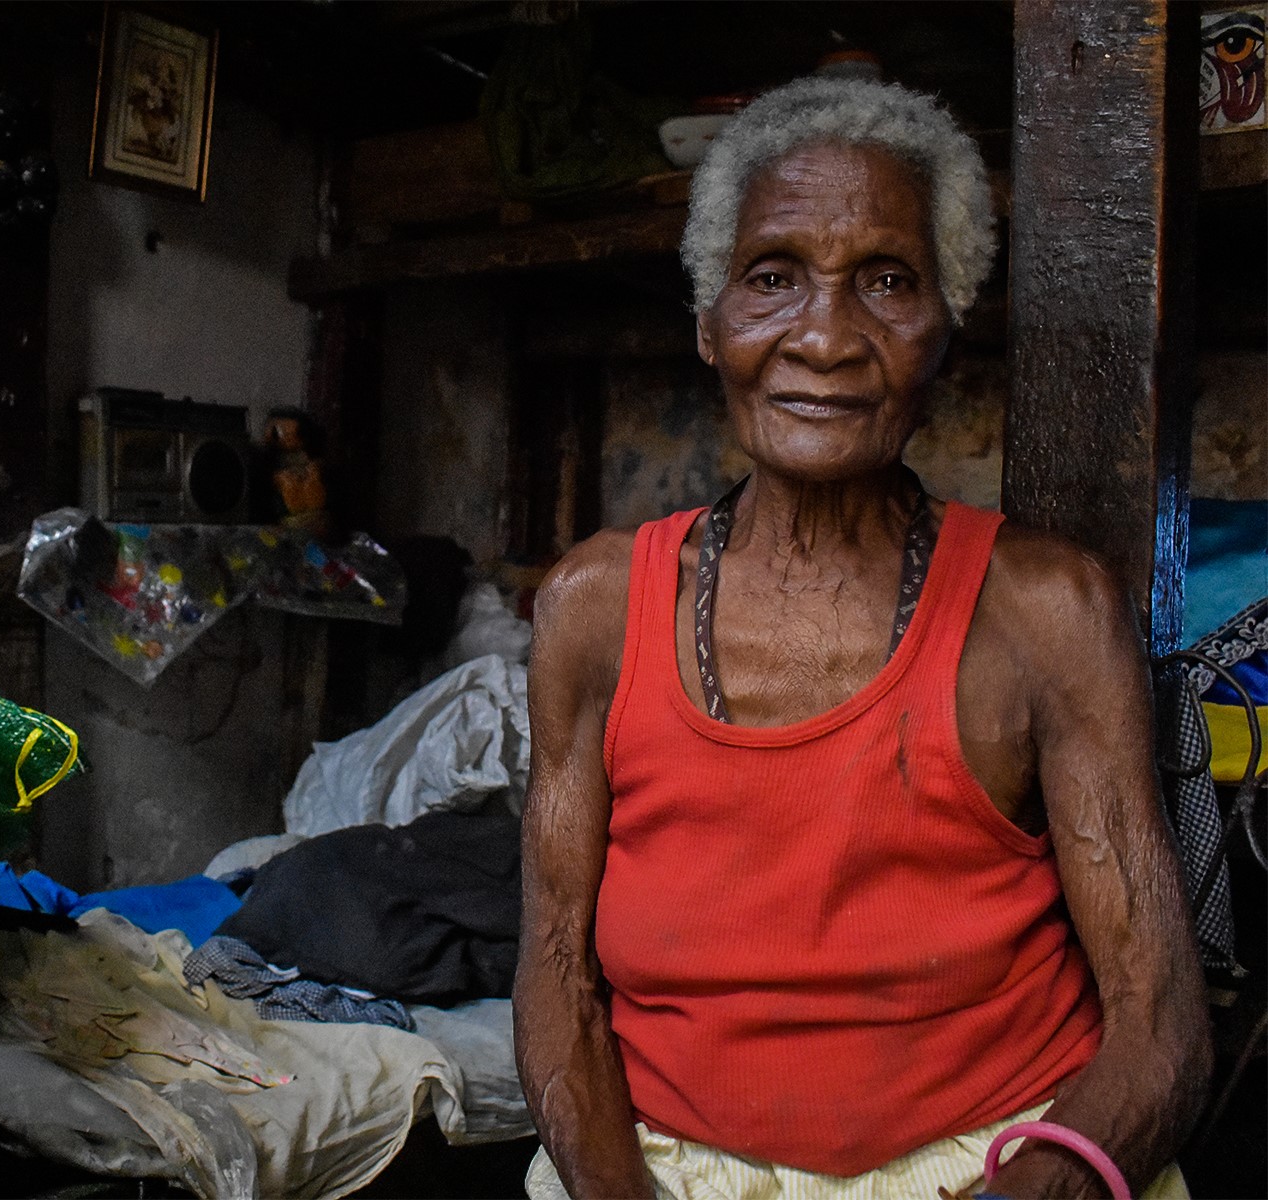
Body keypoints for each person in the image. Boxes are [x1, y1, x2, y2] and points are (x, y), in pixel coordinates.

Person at [514, 77, 1210, 1200]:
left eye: (887, 282)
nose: (827, 339)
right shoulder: (596, 608)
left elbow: (1160, 1020)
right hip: (670, 1169)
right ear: (710, 325)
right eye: (772, 278)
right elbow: (554, 970)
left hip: (993, 1163)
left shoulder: (1045, 612)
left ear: (945, 330)